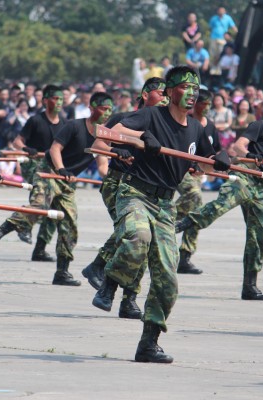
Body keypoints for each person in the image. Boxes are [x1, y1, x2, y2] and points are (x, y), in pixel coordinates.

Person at [91, 65, 229, 363]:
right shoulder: (153, 115)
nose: (191, 93)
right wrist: (141, 136)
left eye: (195, 88)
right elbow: (112, 133)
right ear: (168, 92)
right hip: (136, 193)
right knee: (137, 236)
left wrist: (219, 161)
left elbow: (202, 164)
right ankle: (110, 281)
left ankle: (148, 343)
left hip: (165, 203)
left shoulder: (196, 128)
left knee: (168, 278)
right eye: (184, 87)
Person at [0, 92, 111, 286]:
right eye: (103, 108)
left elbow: (102, 167)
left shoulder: (103, 136)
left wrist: (113, 176)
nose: (107, 113)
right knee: (40, 204)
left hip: (67, 182)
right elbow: (54, 149)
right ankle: (4, 229)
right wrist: (61, 169)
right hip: (49, 171)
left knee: (69, 223)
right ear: (92, 108)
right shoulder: (74, 126)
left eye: (110, 109)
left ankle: (62, 272)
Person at [176, 88, 263, 300]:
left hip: (260, 189)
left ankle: (249, 286)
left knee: (259, 237)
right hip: (244, 178)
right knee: (221, 205)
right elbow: (238, 146)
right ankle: (186, 222)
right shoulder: (259, 126)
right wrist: (251, 156)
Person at [83, 77, 169, 319]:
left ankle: (120, 288)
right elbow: (99, 141)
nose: (164, 98)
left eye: (167, 94)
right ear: (145, 95)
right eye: (160, 93)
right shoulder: (125, 118)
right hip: (118, 182)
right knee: (135, 235)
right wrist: (115, 150)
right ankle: (120, 289)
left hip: (146, 189)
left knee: (141, 238)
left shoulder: (165, 124)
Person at [11, 85, 66, 262]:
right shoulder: (35, 120)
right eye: (54, 98)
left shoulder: (65, 124)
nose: (58, 102)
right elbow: (16, 142)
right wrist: (27, 148)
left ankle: (40, 249)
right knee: (41, 202)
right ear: (45, 101)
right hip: (36, 167)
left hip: (54, 169)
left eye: (61, 99)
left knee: (53, 211)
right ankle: (24, 225)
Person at [175, 89, 223, 274]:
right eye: (204, 103)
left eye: (210, 104)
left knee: (195, 211)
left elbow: (214, 151)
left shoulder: (210, 126)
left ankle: (185, 256)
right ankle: (167, 219)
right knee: (194, 196)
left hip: (199, 173)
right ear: (195, 104)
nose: (207, 107)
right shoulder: (187, 122)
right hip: (183, 170)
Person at [208, 6, 237, 75]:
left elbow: (233, 26)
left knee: (221, 53)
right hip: (214, 38)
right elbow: (210, 27)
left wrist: (237, 33)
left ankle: (219, 69)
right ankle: (213, 68)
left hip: (222, 38)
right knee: (213, 54)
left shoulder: (228, 18)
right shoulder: (214, 18)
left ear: (225, 11)